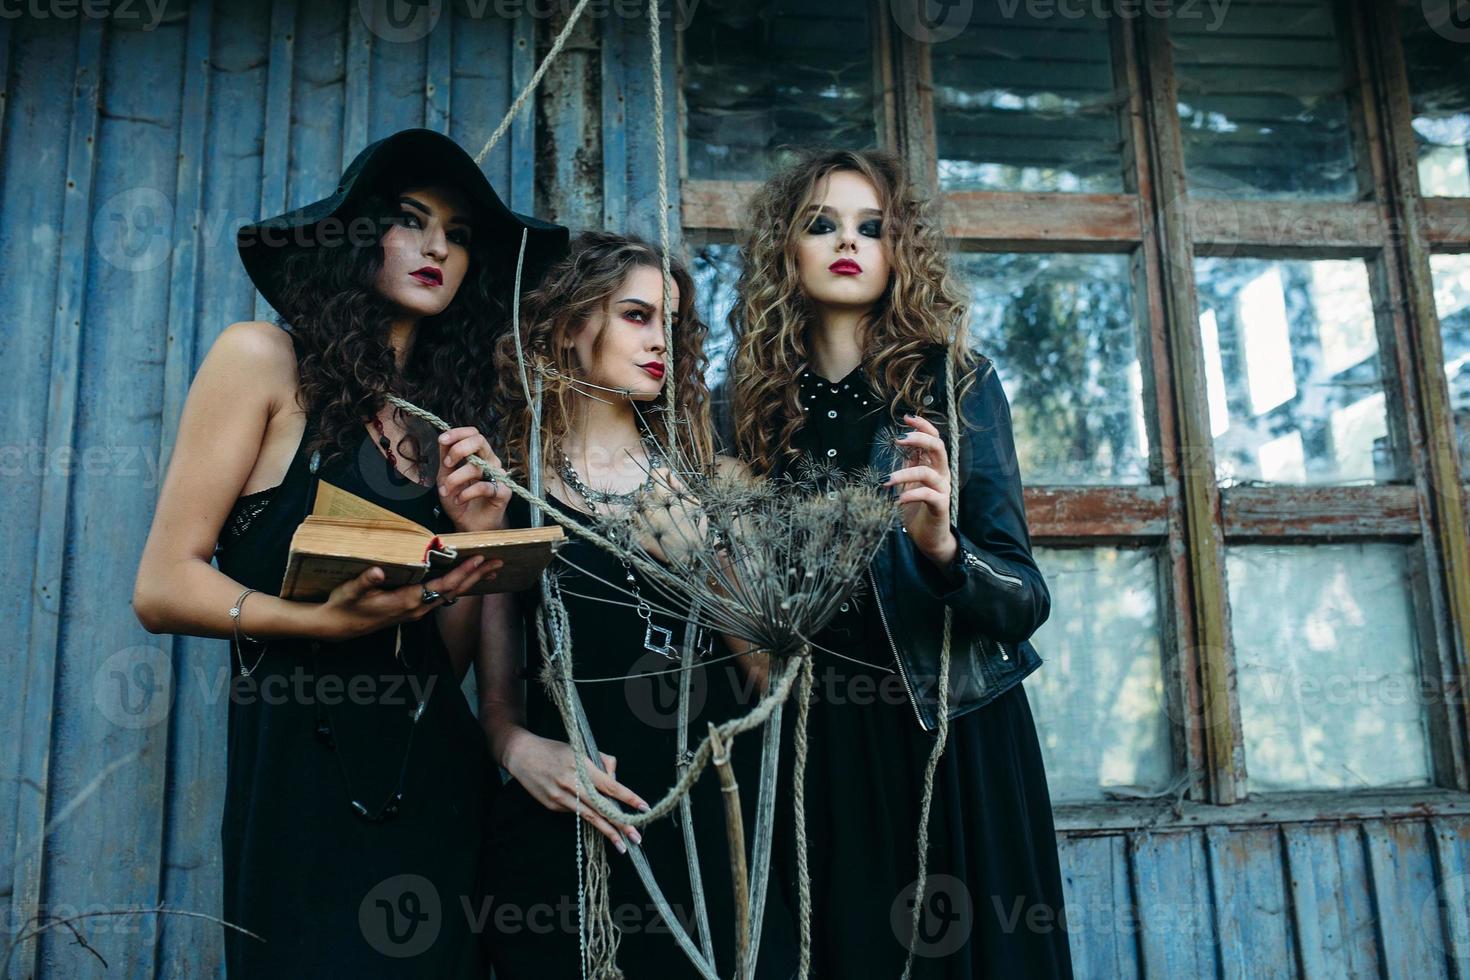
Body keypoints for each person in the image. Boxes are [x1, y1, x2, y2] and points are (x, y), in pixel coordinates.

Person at [132, 128, 568, 976]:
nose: (439, 246)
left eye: (460, 234)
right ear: (352, 235)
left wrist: (475, 539)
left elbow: (436, 659)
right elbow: (159, 587)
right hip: (297, 776)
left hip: (430, 774)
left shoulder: (446, 423)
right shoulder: (260, 360)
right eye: (411, 221)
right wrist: (318, 624)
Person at [725, 148, 1075, 978]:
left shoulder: (957, 387)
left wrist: (941, 547)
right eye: (821, 224)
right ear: (787, 249)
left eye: (872, 227)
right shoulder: (741, 406)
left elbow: (1024, 600)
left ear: (900, 251)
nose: (848, 242)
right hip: (817, 744)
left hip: (951, 735)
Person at [480, 231, 797, 979]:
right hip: (572, 839)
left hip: (712, 830)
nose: (660, 341)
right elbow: (492, 696)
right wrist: (518, 749)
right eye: (635, 315)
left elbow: (775, 684)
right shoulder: (510, 487)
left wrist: (703, 559)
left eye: (671, 324)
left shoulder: (711, 480)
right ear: (568, 327)